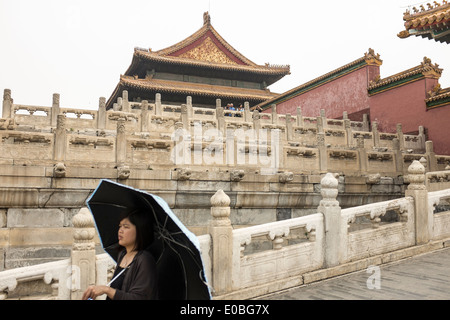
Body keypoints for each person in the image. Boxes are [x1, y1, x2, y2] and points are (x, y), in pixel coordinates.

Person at [82, 209, 158, 300]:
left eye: (126, 227)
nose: (120, 231)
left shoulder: (145, 259)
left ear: (139, 230)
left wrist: (106, 290)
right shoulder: (122, 254)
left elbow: (139, 297)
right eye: (120, 226)